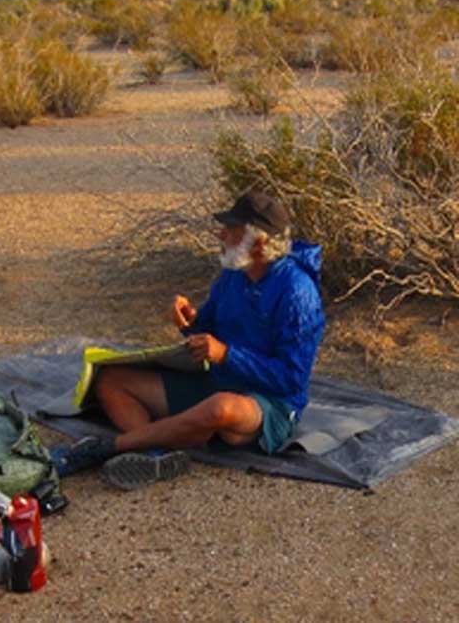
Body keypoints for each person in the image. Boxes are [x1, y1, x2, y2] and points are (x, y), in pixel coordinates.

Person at [50, 191, 326, 489]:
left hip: (269, 404)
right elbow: (208, 329)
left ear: (259, 242)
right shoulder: (235, 274)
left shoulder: (297, 292)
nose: (221, 234)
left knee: (220, 408)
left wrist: (226, 355)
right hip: (218, 380)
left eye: (231, 229)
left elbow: (291, 379)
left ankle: (105, 449)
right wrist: (190, 322)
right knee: (111, 381)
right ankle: (154, 454)